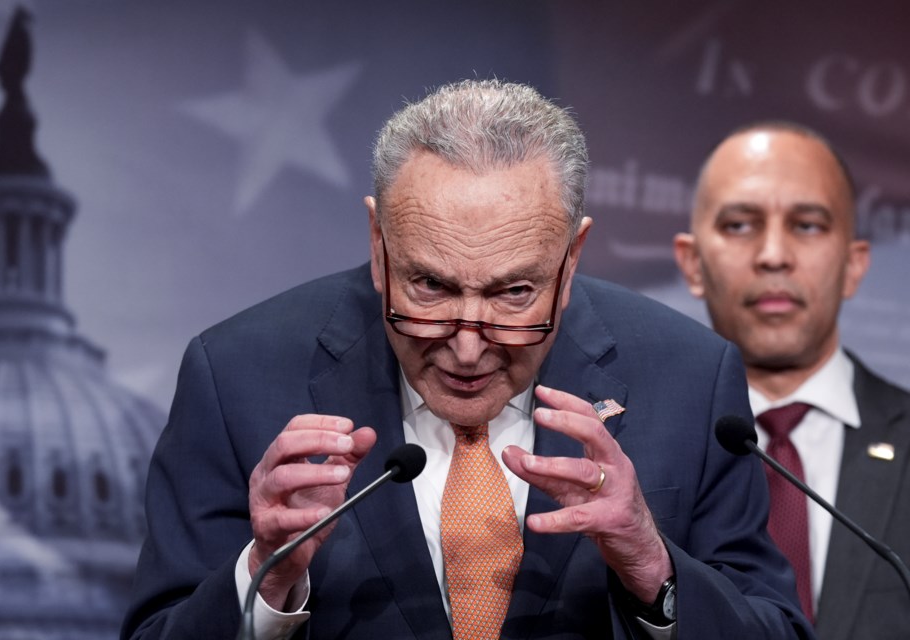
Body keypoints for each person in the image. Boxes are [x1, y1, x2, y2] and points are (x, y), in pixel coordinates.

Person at [121, 80, 812, 640]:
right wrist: (263, 581)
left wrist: (652, 566)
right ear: (377, 240)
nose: (469, 342)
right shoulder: (236, 376)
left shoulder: (688, 380)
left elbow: (776, 629)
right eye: (430, 286)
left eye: (515, 293)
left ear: (571, 258)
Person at [674, 121, 910, 640]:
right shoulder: (636, 452)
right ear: (691, 264)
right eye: (739, 225)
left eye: (807, 225)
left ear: (854, 264)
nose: (773, 254)